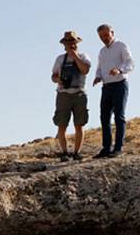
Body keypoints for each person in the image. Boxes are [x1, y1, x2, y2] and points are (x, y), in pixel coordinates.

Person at [92, 24, 134, 158]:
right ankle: (106, 148)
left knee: (119, 116)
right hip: (106, 86)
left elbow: (130, 63)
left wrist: (119, 70)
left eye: (106, 35)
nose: (104, 38)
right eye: (101, 36)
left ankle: (118, 147)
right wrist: (98, 76)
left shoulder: (121, 46)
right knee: (104, 117)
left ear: (112, 33)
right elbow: (99, 67)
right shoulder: (102, 51)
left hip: (120, 84)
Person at [51, 31, 92, 161]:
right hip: (63, 94)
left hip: (79, 93)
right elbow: (53, 76)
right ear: (64, 45)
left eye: (72, 43)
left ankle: (76, 152)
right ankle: (64, 152)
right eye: (68, 43)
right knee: (61, 124)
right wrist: (58, 79)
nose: (71, 45)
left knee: (79, 124)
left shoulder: (84, 57)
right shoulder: (59, 59)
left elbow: (85, 70)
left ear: (76, 43)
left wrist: (75, 57)